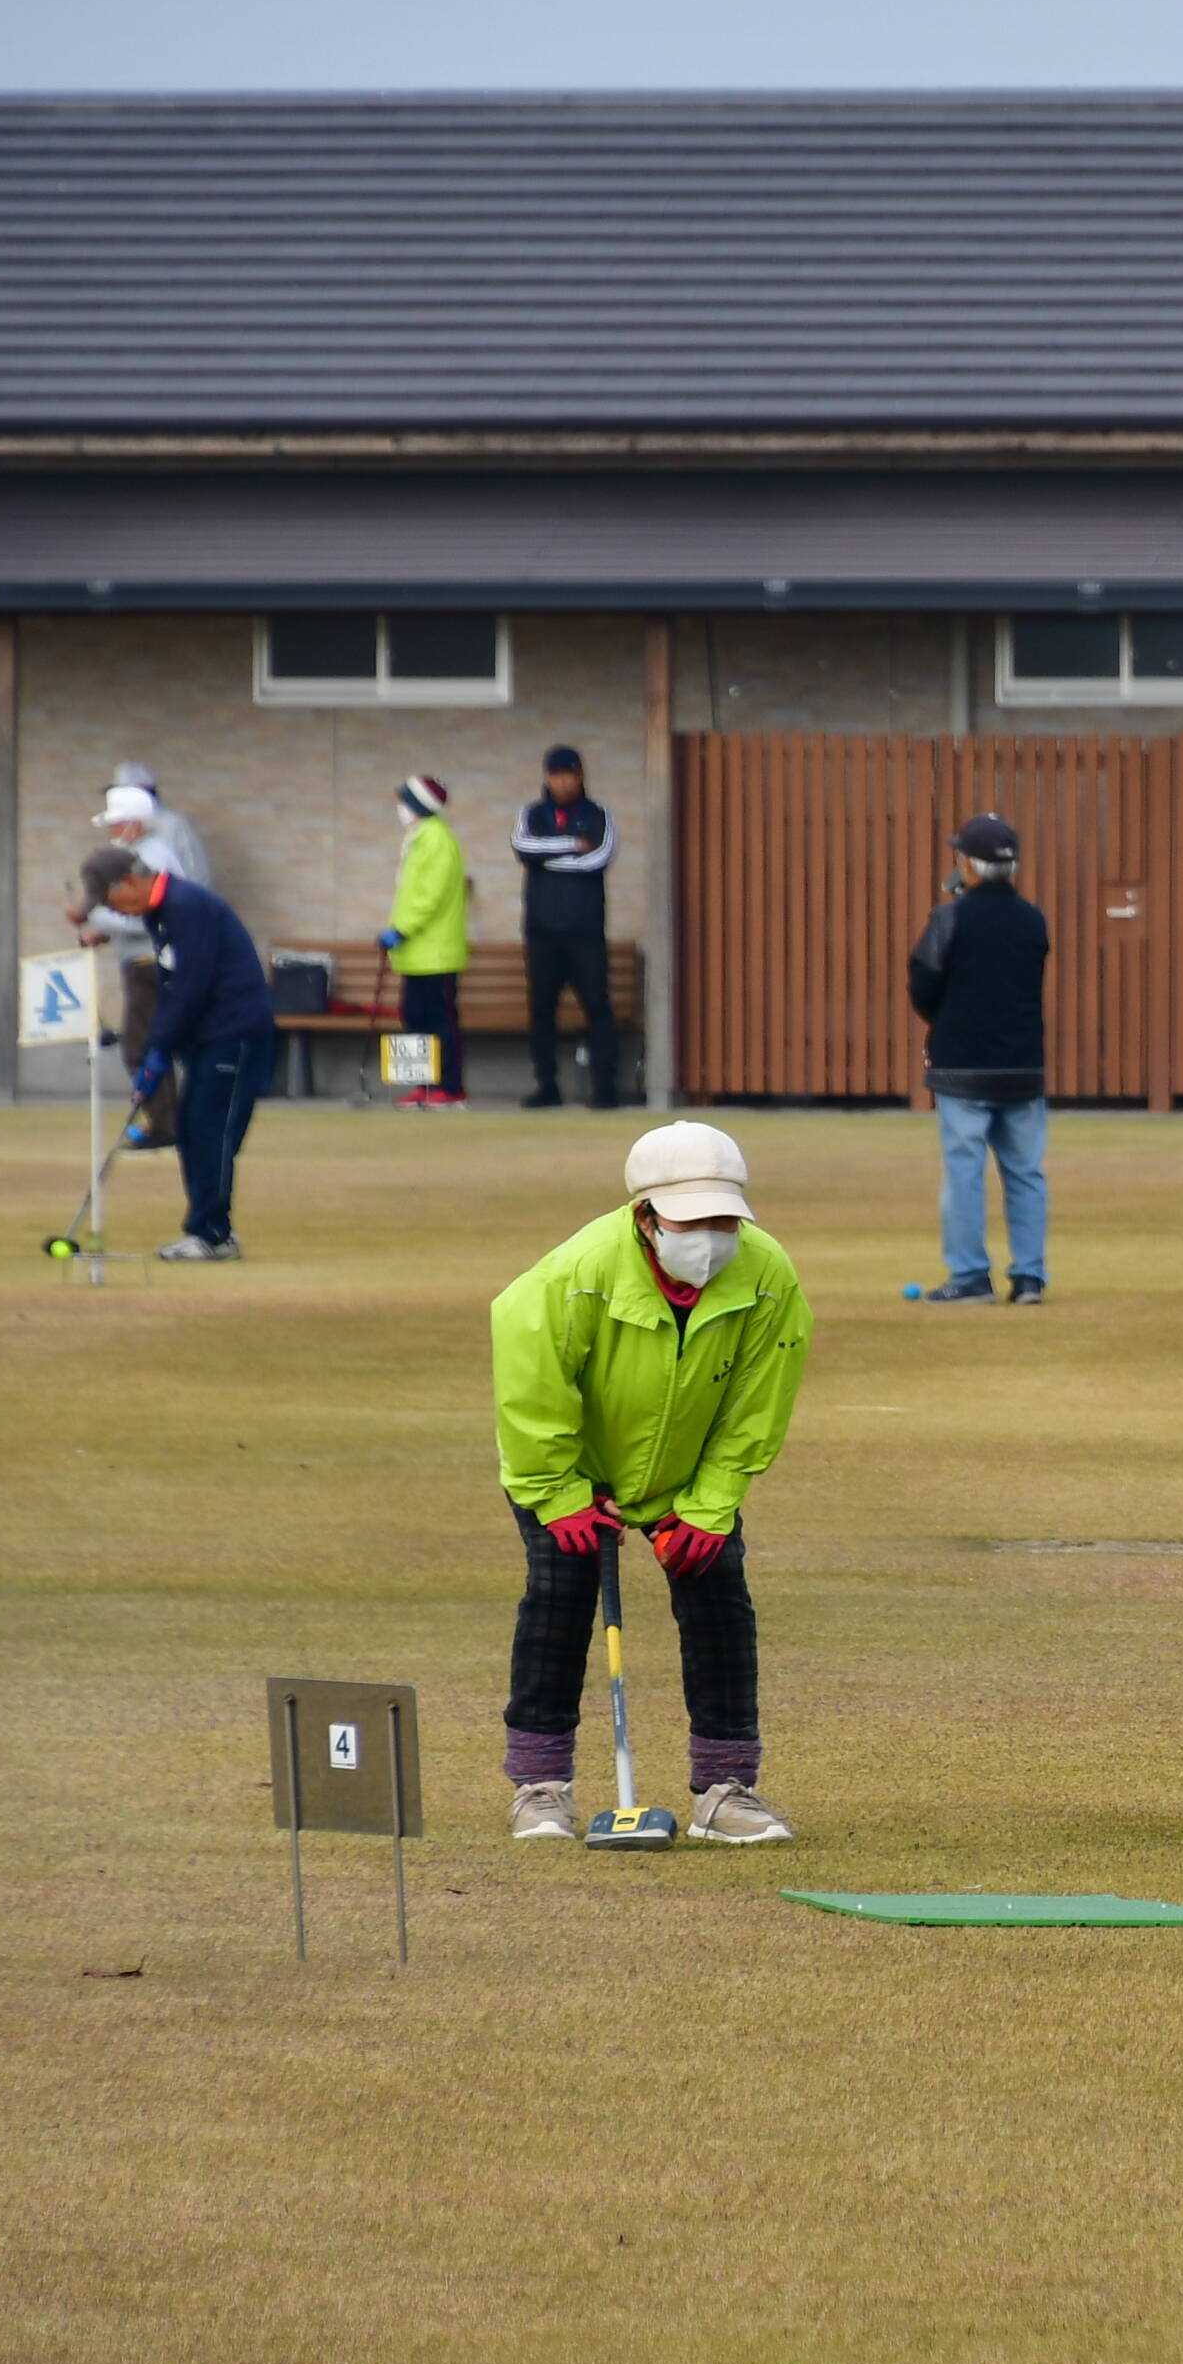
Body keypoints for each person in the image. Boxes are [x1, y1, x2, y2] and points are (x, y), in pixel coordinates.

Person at [492, 1120, 814, 1846]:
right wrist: (559, 1494)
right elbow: (532, 1390)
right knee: (558, 1599)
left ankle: (726, 1789)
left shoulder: (768, 1275)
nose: (711, 1239)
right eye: (690, 1222)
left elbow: (757, 1406)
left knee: (719, 1603)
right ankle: (540, 1787)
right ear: (645, 1216)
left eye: (723, 1221)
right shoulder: (573, 1274)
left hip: (688, 1473)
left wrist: (709, 1507)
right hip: (571, 1468)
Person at [85, 847, 279, 1262]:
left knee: (210, 1132)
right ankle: (208, 1231)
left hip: (235, 1033)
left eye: (109, 900)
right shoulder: (160, 912)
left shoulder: (186, 906)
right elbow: (174, 986)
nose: (111, 910)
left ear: (129, 881)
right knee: (192, 1131)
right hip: (210, 1036)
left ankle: (213, 1236)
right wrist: (161, 1048)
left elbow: (191, 987)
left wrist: (158, 1049)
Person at [909, 812, 1049, 1305]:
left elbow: (923, 986)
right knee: (1026, 1172)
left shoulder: (949, 918)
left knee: (965, 1173)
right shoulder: (1033, 920)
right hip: (1022, 1065)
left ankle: (970, 1277)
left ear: (966, 864)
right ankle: (1029, 1278)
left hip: (962, 1066)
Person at [71, 777, 208, 1146]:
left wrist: (96, 918)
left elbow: (143, 915)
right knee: (151, 1043)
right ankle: (171, 1122)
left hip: (151, 963)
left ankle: (165, 1127)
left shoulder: (149, 858)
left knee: (140, 1045)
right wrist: (104, 933)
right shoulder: (151, 853)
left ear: (133, 824)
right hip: (148, 960)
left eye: (116, 824)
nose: (113, 833)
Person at [511, 745, 622, 1110]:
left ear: (580, 776)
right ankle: (547, 1086)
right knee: (542, 1010)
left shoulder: (598, 815)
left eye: (569, 775)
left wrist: (546, 859)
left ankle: (605, 1089)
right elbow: (522, 846)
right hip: (541, 931)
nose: (563, 782)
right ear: (547, 777)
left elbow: (599, 858)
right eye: (556, 775)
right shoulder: (532, 813)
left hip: (586, 932)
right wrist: (572, 844)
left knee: (597, 1006)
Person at [381, 772, 470, 1108]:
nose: (401, 808)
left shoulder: (437, 840)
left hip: (435, 953)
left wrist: (401, 929)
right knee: (416, 1017)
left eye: (405, 801)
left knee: (440, 1021)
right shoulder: (420, 837)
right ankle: (425, 1084)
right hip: (418, 954)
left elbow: (429, 896)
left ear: (419, 804)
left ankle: (449, 1086)